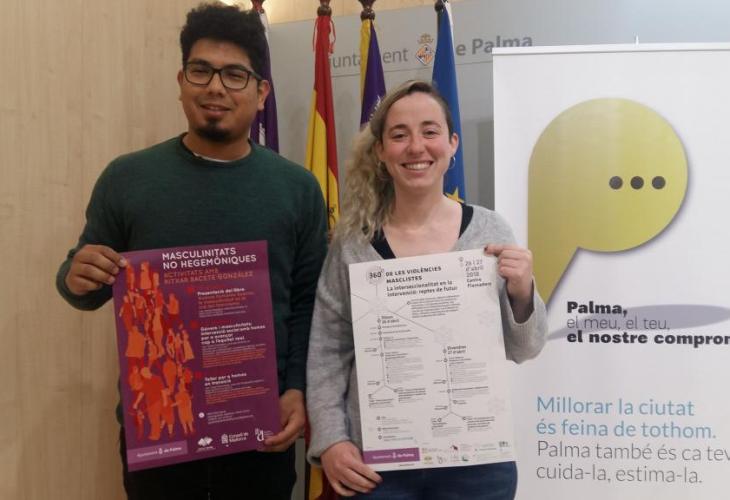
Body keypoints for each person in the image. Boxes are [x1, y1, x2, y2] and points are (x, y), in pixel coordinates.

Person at [55, 3, 327, 499]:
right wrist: (75, 276)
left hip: (259, 429)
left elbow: (308, 302)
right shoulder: (127, 178)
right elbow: (85, 283)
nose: (216, 87)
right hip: (159, 429)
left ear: (261, 92)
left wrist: (296, 389)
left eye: (235, 75)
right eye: (201, 70)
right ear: (181, 81)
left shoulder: (298, 189)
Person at [306, 80, 547, 499]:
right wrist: (331, 440)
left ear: (452, 144)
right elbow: (328, 350)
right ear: (381, 151)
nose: (416, 147)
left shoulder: (490, 230)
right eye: (400, 135)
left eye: (430, 131)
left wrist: (523, 292)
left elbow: (525, 349)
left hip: (476, 464)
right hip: (378, 466)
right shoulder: (353, 242)